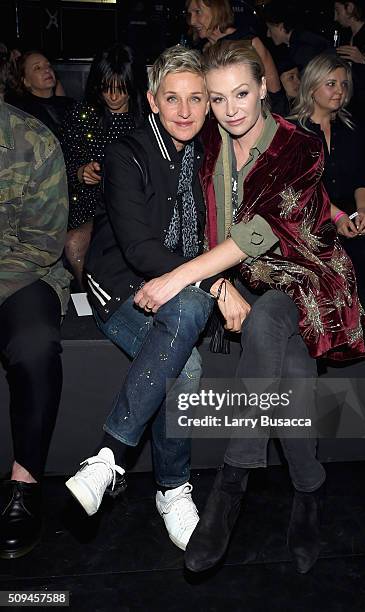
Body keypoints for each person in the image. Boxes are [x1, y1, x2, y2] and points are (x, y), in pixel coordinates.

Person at [136, 41, 365, 573]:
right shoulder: (210, 143)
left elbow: (258, 231)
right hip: (257, 285)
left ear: (265, 87)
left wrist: (182, 275)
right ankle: (309, 488)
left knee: (270, 315)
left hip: (311, 277)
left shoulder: (300, 145)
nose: (231, 109)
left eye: (242, 93)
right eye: (218, 98)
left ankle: (230, 486)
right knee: (285, 361)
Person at [65, 46, 214, 552]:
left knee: (191, 305)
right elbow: (137, 247)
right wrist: (206, 280)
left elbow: (220, 232)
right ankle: (172, 489)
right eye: (173, 98)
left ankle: (106, 460)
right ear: (152, 100)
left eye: (197, 98)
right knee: (188, 367)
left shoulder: (209, 153)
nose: (186, 110)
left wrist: (210, 280)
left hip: (179, 284)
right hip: (121, 284)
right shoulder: (125, 152)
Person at [0, 98, 71, 559]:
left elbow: (42, 244)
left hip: (22, 274)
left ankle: (25, 486)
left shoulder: (33, 140)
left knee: (35, 344)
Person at [288, 52, 365, 300]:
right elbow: (302, 188)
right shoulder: (293, 131)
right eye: (331, 84)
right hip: (309, 220)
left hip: (348, 217)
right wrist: (337, 217)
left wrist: (363, 211)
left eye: (344, 84)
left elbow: (362, 177)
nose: (339, 91)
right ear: (312, 87)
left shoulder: (351, 129)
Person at [60, 43, 144, 289]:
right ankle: (91, 298)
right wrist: (80, 172)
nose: (114, 96)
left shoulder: (147, 120)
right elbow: (58, 166)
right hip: (90, 209)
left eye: (121, 89)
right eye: (107, 88)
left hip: (135, 208)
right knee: (75, 244)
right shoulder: (81, 115)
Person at [186, 0, 281, 93]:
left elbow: (275, 92)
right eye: (190, 14)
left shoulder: (248, 43)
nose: (192, 21)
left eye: (198, 12)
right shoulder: (201, 50)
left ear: (217, 10)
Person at [5, 50, 74, 137]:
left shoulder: (70, 105)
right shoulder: (21, 112)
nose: (47, 70)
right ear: (26, 81)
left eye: (48, 65)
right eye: (37, 68)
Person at [262, 4, 331, 71]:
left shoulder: (301, 50)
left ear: (281, 27)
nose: (268, 34)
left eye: (270, 29)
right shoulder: (304, 37)